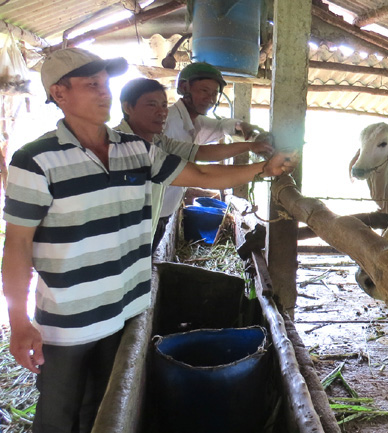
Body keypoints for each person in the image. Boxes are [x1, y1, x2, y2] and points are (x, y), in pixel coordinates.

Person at [1, 48, 297, 433]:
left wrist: (263, 168)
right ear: (59, 94)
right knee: (58, 411)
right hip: (67, 319)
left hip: (126, 306)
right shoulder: (34, 160)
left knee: (101, 405)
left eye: (106, 84)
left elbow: (202, 176)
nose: (104, 92)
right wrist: (18, 320)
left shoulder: (137, 150)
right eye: (92, 85)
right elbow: (18, 245)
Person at [117, 77, 271, 249]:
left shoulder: (158, 140)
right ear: (128, 107)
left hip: (148, 224)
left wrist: (252, 145)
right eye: (152, 105)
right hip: (120, 234)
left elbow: (200, 152)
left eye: (163, 105)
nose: (161, 112)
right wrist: (266, 169)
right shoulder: (122, 146)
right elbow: (202, 174)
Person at [159, 62, 260, 236]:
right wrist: (253, 150)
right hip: (152, 211)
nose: (211, 99)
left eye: (215, 93)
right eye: (204, 91)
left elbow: (221, 126)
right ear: (184, 87)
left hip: (163, 211)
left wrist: (240, 125)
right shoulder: (170, 122)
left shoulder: (194, 121)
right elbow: (201, 157)